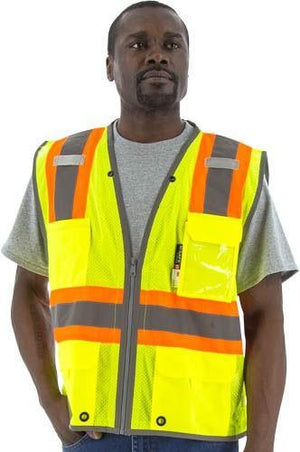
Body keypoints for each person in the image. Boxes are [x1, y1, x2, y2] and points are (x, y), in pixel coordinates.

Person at [1, 1, 298, 451]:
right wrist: (50, 402)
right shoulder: (62, 165)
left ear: (187, 63)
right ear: (109, 66)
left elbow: (265, 316)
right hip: (93, 433)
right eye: (138, 44)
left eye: (171, 45)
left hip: (202, 437)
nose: (157, 55)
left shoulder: (233, 170)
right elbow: (27, 291)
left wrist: (262, 446)